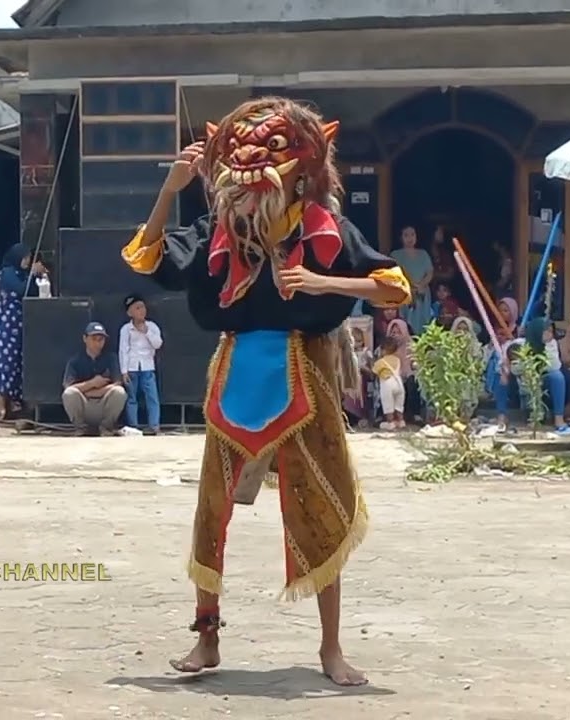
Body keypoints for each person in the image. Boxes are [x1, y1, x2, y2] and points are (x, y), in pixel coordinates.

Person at [118, 97, 410, 685]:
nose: (253, 164)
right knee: (210, 512)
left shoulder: (325, 226)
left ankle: (330, 648)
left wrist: (320, 280)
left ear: (302, 164)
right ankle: (206, 640)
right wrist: (171, 188)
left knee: (321, 505)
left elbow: (394, 287)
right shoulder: (220, 229)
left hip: (308, 368)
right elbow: (148, 256)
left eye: (273, 149)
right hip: (237, 372)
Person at [0, 244, 48, 421]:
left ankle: (14, 402)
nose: (28, 261)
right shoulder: (7, 273)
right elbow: (20, 290)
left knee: (17, 362)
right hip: (6, 323)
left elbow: (33, 292)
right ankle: (0, 404)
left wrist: (39, 277)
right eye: (26, 258)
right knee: (5, 361)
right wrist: (32, 274)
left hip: (20, 322)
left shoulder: (23, 275)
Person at [61, 322, 127, 435]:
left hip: (104, 404)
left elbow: (118, 383)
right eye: (94, 339)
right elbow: (69, 386)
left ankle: (106, 428)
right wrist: (92, 383)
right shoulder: (75, 361)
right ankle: (81, 428)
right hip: (83, 405)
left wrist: (92, 391)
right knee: (69, 393)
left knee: (119, 393)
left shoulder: (111, 358)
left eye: (100, 339)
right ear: (85, 338)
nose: (97, 343)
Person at [118, 294, 163, 434]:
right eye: (137, 308)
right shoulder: (126, 329)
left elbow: (158, 344)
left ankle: (154, 425)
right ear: (130, 313)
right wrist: (123, 371)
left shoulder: (152, 326)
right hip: (132, 367)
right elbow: (123, 349)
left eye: (143, 307)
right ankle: (133, 426)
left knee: (152, 397)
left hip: (147, 366)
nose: (141, 310)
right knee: (132, 398)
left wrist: (147, 332)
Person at [390, 225, 433, 333]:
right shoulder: (395, 255)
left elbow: (430, 272)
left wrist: (421, 285)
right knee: (405, 323)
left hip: (422, 293)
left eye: (412, 235)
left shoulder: (423, 253)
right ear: (401, 238)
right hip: (405, 293)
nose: (410, 238)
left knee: (423, 325)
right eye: (406, 235)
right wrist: (410, 286)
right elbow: (394, 274)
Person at [373, 337, 406, 430]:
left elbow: (374, 372)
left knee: (388, 404)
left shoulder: (381, 362)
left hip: (387, 384)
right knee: (399, 404)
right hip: (399, 383)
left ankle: (390, 422)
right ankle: (401, 421)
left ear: (383, 350)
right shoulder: (397, 360)